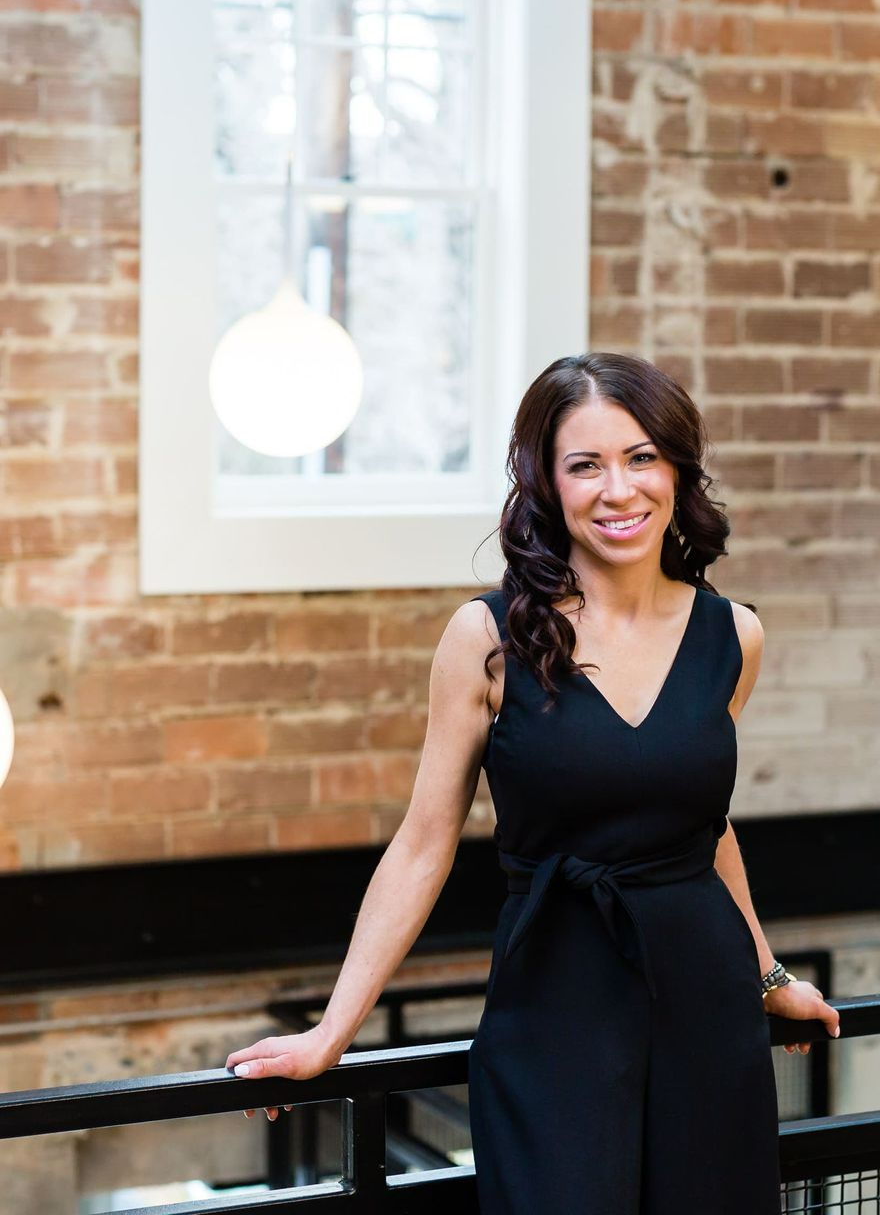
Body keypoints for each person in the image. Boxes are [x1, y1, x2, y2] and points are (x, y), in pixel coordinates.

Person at [225, 351, 841, 1212]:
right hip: (557, 998)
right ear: (548, 486)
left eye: (640, 458)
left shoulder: (733, 635)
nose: (617, 490)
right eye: (584, 465)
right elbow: (423, 844)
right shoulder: (485, 636)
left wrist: (770, 978)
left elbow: (704, 829)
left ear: (676, 471)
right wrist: (334, 1031)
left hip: (705, 1005)